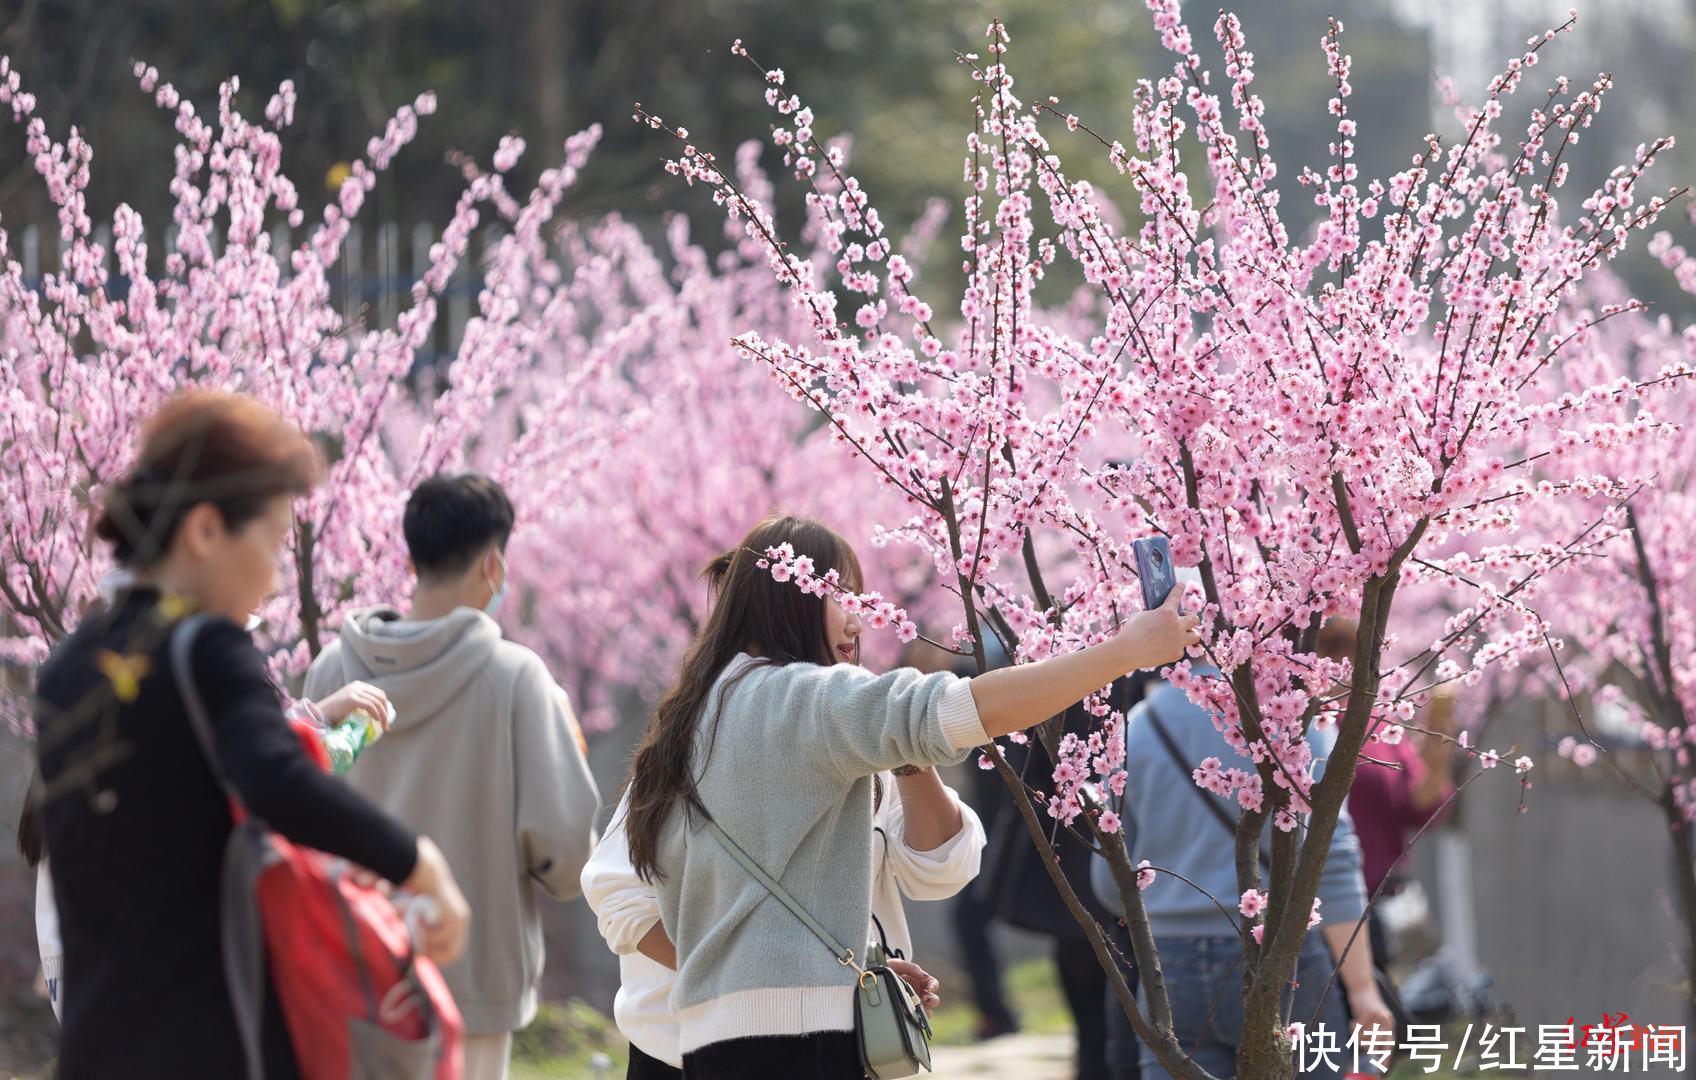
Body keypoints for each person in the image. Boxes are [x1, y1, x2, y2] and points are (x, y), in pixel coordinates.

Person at [621, 514, 1198, 1078]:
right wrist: (1123, 654)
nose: (859, 617)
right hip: (802, 1042)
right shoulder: (807, 699)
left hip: (712, 1038)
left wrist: (854, 974)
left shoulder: (693, 716)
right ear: (790, 599)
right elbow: (968, 708)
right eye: (840, 593)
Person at [31, 390, 469, 1079]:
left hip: (94, 1045)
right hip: (209, 1041)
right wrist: (420, 865)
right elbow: (280, 781)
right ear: (205, 531)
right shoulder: (204, 648)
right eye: (268, 541)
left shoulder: (66, 668)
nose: (271, 575)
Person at [304, 471, 602, 1080]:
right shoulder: (516, 678)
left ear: (411, 557)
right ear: (494, 564)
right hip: (472, 987)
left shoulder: (331, 672)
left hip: (345, 975)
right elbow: (568, 856)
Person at [1092, 656, 1394, 1079]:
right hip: (1282, 957)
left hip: (1168, 963)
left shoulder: (1136, 730)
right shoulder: (1295, 721)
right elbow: (1333, 859)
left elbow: (1108, 881)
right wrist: (1363, 988)